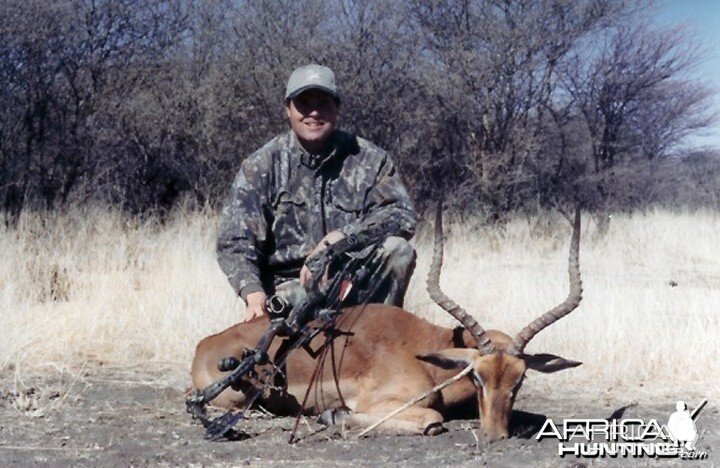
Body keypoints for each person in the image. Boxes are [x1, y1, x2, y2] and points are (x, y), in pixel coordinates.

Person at [217, 64, 417, 322]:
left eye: (323, 104)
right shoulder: (261, 165)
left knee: (398, 249)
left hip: (351, 280)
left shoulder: (370, 160)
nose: (313, 112)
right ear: (287, 109)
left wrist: (340, 238)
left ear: (337, 109)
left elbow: (401, 215)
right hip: (288, 291)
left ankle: (383, 333)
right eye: (304, 104)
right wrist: (253, 294)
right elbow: (234, 242)